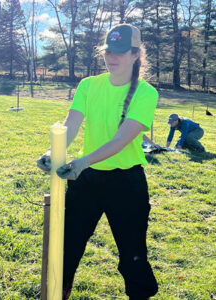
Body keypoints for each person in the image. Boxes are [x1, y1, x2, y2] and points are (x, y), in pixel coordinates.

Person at [37, 24, 159, 299]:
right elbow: (71, 125)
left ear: (135, 54)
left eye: (119, 52)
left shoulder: (146, 93)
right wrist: (51, 153)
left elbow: (122, 140)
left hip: (126, 183)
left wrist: (83, 162)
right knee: (66, 250)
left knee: (133, 256)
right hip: (87, 182)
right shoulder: (88, 85)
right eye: (107, 52)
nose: (111, 57)